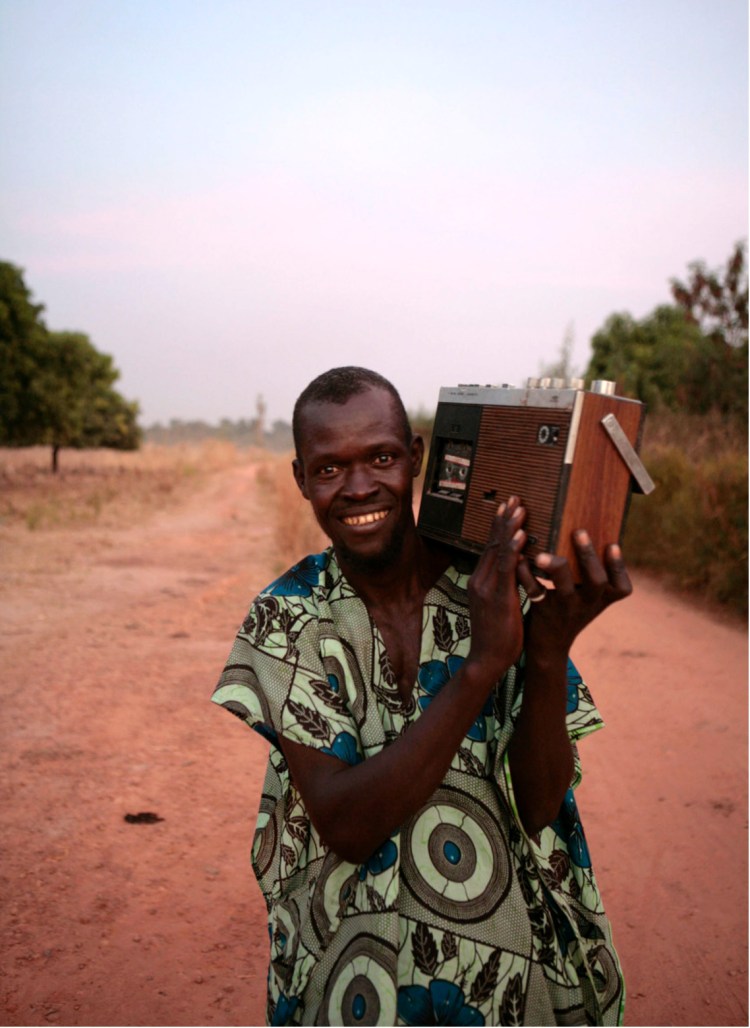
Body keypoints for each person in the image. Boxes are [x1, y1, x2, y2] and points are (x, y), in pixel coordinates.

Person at [212, 366, 630, 1027]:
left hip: (507, 971)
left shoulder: (490, 585)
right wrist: (482, 668)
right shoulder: (287, 618)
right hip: (352, 964)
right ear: (300, 481)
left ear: (417, 455)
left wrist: (546, 651)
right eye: (329, 469)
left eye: (380, 457)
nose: (358, 487)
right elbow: (346, 827)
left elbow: (542, 804)